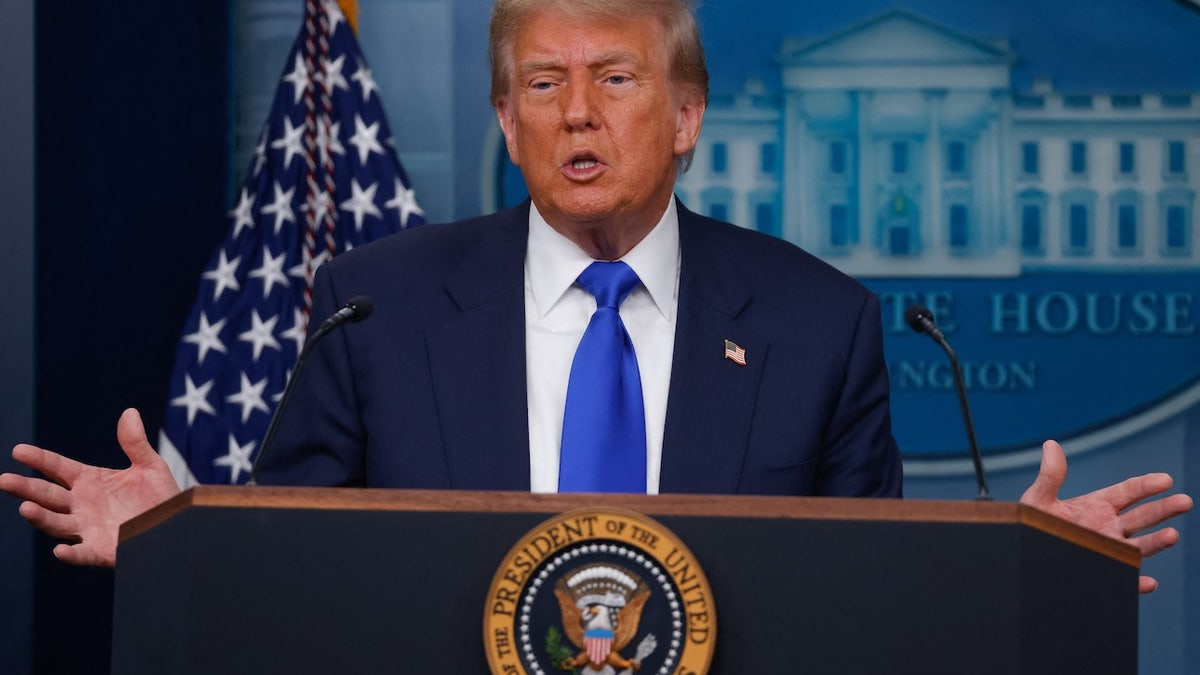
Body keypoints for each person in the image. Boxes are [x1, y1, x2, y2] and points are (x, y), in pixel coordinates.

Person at [1, 0, 1191, 594]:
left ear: (685, 118)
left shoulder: (817, 321)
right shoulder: (376, 302)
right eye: (543, 83)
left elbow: (856, 592)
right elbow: (304, 565)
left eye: (616, 79)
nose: (578, 111)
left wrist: (1021, 573)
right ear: (506, 123)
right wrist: (182, 535)